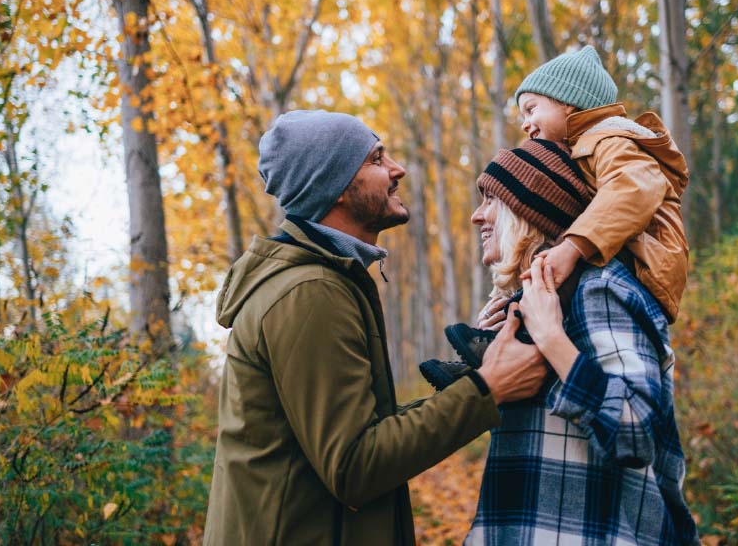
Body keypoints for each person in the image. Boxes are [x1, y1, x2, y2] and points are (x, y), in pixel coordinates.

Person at [202, 110, 548, 546]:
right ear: (338, 187)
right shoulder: (310, 292)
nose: (397, 169)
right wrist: (487, 389)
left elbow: (356, 434)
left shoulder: (321, 280)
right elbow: (354, 466)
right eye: (376, 158)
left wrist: (472, 383)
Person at [465, 139, 699, 545]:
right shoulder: (539, 300)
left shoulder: (599, 288)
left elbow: (636, 429)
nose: (477, 215)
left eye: (491, 199)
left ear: (529, 209)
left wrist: (552, 339)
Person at [513, 45, 690, 324]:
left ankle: (512, 328)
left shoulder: (611, 141)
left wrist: (572, 247)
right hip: (620, 262)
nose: (525, 124)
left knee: (553, 287)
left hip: (641, 267)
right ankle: (504, 327)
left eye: (531, 109)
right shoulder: (585, 147)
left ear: (567, 101)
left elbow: (632, 190)